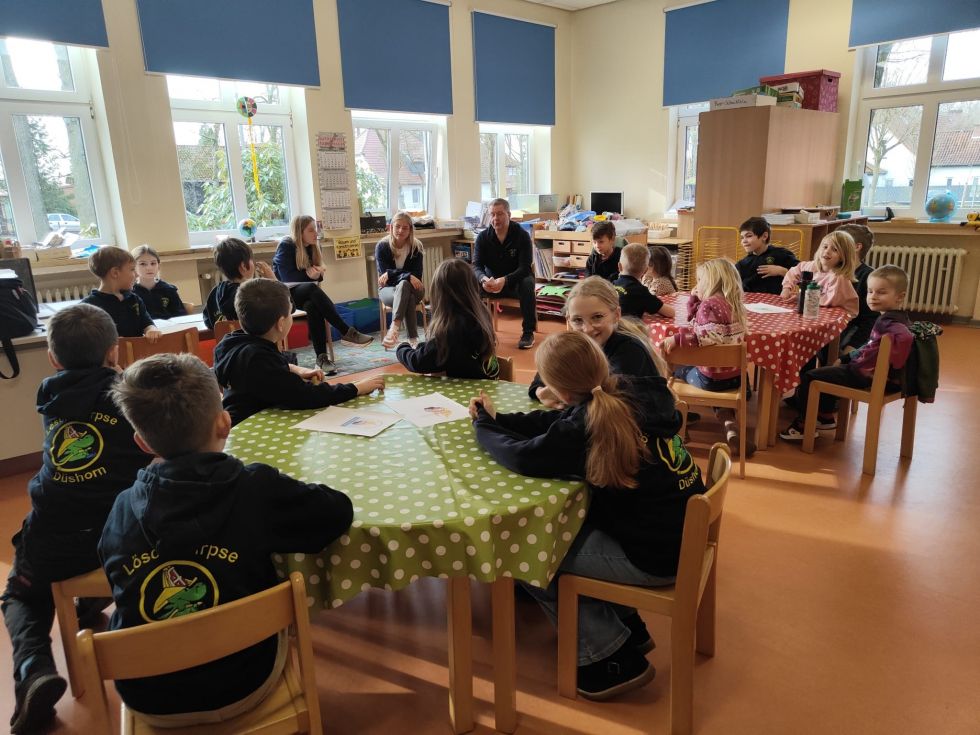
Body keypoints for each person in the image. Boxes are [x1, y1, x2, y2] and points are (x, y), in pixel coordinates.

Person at [101, 352, 353, 725]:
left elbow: (114, 573)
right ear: (225, 423)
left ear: (142, 443)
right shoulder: (256, 488)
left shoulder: (122, 508)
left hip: (149, 698)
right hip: (247, 681)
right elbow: (337, 512)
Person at [470, 331, 704, 701]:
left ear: (561, 393)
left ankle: (607, 657)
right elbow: (552, 428)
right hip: (683, 538)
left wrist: (482, 427)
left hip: (656, 559)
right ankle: (628, 628)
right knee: (570, 535)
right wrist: (498, 419)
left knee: (530, 554)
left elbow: (524, 457)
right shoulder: (626, 393)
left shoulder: (585, 426)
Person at [3, 304, 150, 733]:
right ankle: (92, 602)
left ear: (53, 359)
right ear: (113, 351)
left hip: (58, 537)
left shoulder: (50, 397)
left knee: (21, 595)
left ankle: (33, 667)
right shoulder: (130, 394)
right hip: (123, 537)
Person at [213, 279, 384, 426]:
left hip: (243, 423)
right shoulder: (259, 359)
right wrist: (356, 388)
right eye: (290, 313)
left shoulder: (231, 343)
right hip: (251, 429)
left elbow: (269, 368)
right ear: (281, 323)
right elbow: (306, 395)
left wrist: (297, 369)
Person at [780, 265, 913, 441]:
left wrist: (895, 366)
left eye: (881, 292)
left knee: (810, 376)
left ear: (900, 297)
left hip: (865, 375)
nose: (873, 296)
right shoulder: (897, 318)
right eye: (870, 291)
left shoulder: (889, 324)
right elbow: (871, 346)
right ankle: (824, 416)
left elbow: (906, 338)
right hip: (869, 371)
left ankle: (803, 426)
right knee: (832, 369)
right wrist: (847, 357)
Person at [660, 258, 751, 456]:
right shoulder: (734, 303)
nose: (697, 284)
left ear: (711, 281)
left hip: (710, 380)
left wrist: (677, 338)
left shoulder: (709, 305)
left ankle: (679, 424)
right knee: (714, 380)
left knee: (677, 370)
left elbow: (706, 336)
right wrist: (695, 298)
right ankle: (730, 425)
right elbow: (698, 320)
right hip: (737, 378)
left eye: (700, 280)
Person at [528, 276, 662, 408]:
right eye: (577, 320)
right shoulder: (576, 344)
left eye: (597, 317)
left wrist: (560, 392)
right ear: (568, 319)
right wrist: (540, 392)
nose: (587, 329)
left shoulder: (630, 352)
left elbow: (606, 402)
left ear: (616, 315)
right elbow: (544, 373)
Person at [273, 215, 372, 373]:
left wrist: (316, 275)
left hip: (305, 296)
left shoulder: (312, 246)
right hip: (285, 296)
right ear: (299, 232)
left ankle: (322, 359)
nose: (316, 233)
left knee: (312, 307)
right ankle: (346, 331)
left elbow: (319, 277)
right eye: (311, 230)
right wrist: (309, 275)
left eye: (316, 229)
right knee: (311, 289)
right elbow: (286, 277)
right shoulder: (286, 245)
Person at [396, 258, 499, 379]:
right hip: (488, 385)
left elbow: (418, 362)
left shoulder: (451, 329)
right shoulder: (481, 313)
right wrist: (421, 347)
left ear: (439, 295)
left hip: (469, 389)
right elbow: (433, 350)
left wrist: (402, 347)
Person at [473, 198, 537, 350]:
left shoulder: (522, 236)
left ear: (509, 214)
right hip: (491, 284)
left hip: (515, 283)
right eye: (492, 214)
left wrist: (505, 280)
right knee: (469, 283)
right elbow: (476, 266)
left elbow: (525, 268)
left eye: (500, 214)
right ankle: (482, 332)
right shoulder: (482, 238)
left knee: (528, 282)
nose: (496, 218)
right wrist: (483, 279)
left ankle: (528, 333)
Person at [81, 246, 161, 340]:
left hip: (137, 348)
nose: (136, 274)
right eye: (132, 269)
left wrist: (151, 329)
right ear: (115, 273)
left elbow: (147, 323)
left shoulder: (134, 299)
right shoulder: (88, 307)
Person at [780, 231, 860, 317]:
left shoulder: (839, 277)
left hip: (840, 317)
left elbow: (829, 300)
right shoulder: (810, 266)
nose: (827, 251)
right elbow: (793, 273)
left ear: (843, 257)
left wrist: (801, 297)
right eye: (825, 247)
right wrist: (786, 288)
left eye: (835, 249)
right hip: (815, 308)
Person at [202, 237, 275, 330]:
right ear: (244, 266)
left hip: (225, 339)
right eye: (251, 259)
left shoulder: (215, 291)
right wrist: (274, 281)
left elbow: (208, 321)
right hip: (250, 339)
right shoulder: (251, 294)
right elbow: (284, 310)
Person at [377, 212, 425, 349]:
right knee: (406, 292)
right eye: (397, 226)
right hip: (388, 290)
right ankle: (413, 338)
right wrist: (408, 276)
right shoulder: (382, 246)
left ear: (410, 230)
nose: (400, 230)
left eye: (405, 228)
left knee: (405, 286)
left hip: (415, 289)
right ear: (391, 227)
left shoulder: (417, 247)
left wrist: (392, 273)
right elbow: (386, 279)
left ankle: (394, 327)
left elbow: (417, 276)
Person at [837, 223, 877, 353]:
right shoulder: (831, 270)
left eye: (839, 243)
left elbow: (870, 320)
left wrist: (851, 347)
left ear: (857, 247)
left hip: (852, 332)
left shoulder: (869, 277)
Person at [735, 216, 799, 295]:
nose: (744, 241)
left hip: (777, 300)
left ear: (764, 236)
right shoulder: (742, 264)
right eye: (742, 237)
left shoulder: (782, 254)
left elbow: (803, 277)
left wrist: (782, 271)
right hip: (749, 301)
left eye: (749, 236)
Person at [613, 243, 674, 319]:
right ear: (645, 271)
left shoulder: (613, 284)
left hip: (612, 324)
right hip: (628, 326)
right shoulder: (640, 291)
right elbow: (670, 313)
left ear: (619, 266)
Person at [131, 244, 187, 320]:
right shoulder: (129, 293)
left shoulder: (169, 290)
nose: (149, 268)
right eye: (143, 264)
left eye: (153, 263)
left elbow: (181, 316)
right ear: (133, 267)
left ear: (159, 266)